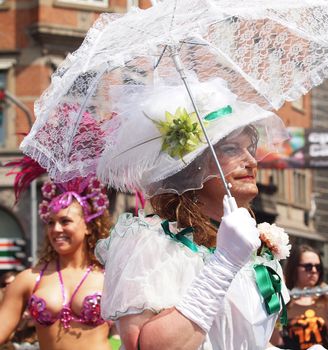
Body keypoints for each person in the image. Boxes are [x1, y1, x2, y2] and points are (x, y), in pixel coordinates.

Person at [95, 77, 291, 350]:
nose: (252, 161)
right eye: (232, 149)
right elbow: (146, 346)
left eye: (250, 148)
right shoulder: (152, 242)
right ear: (194, 166)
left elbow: (244, 341)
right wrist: (223, 264)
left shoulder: (251, 245)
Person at [0, 159, 112, 350]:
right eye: (51, 223)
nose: (56, 229)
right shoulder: (29, 279)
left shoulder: (109, 278)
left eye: (65, 221)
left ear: (88, 226)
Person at [271, 244, 328, 350]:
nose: (314, 271)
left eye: (318, 267)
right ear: (294, 268)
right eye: (308, 267)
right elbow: (275, 342)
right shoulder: (283, 300)